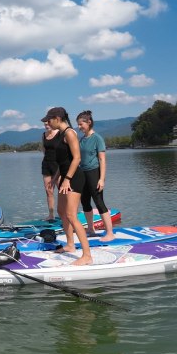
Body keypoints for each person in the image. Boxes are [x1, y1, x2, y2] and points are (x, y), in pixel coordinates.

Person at [42, 107, 92, 265]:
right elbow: (62, 162)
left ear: (57, 118)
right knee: (61, 212)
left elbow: (76, 159)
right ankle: (70, 245)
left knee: (71, 215)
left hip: (74, 178)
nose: (47, 123)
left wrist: (67, 179)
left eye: (49, 120)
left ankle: (87, 255)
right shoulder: (60, 135)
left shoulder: (70, 133)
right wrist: (55, 178)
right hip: (64, 177)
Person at [76, 110, 117, 242]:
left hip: (94, 172)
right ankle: (91, 229)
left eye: (81, 124)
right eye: (78, 124)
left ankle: (110, 232)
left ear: (89, 122)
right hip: (83, 173)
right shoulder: (82, 139)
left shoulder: (97, 138)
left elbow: (102, 160)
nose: (79, 127)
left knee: (99, 202)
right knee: (85, 202)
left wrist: (101, 179)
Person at [40, 119, 61, 220]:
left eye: (47, 123)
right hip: (46, 164)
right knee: (48, 191)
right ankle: (51, 214)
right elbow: (44, 150)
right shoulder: (44, 135)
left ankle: (64, 213)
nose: (46, 125)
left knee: (62, 190)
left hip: (58, 165)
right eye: (44, 124)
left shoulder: (59, 133)